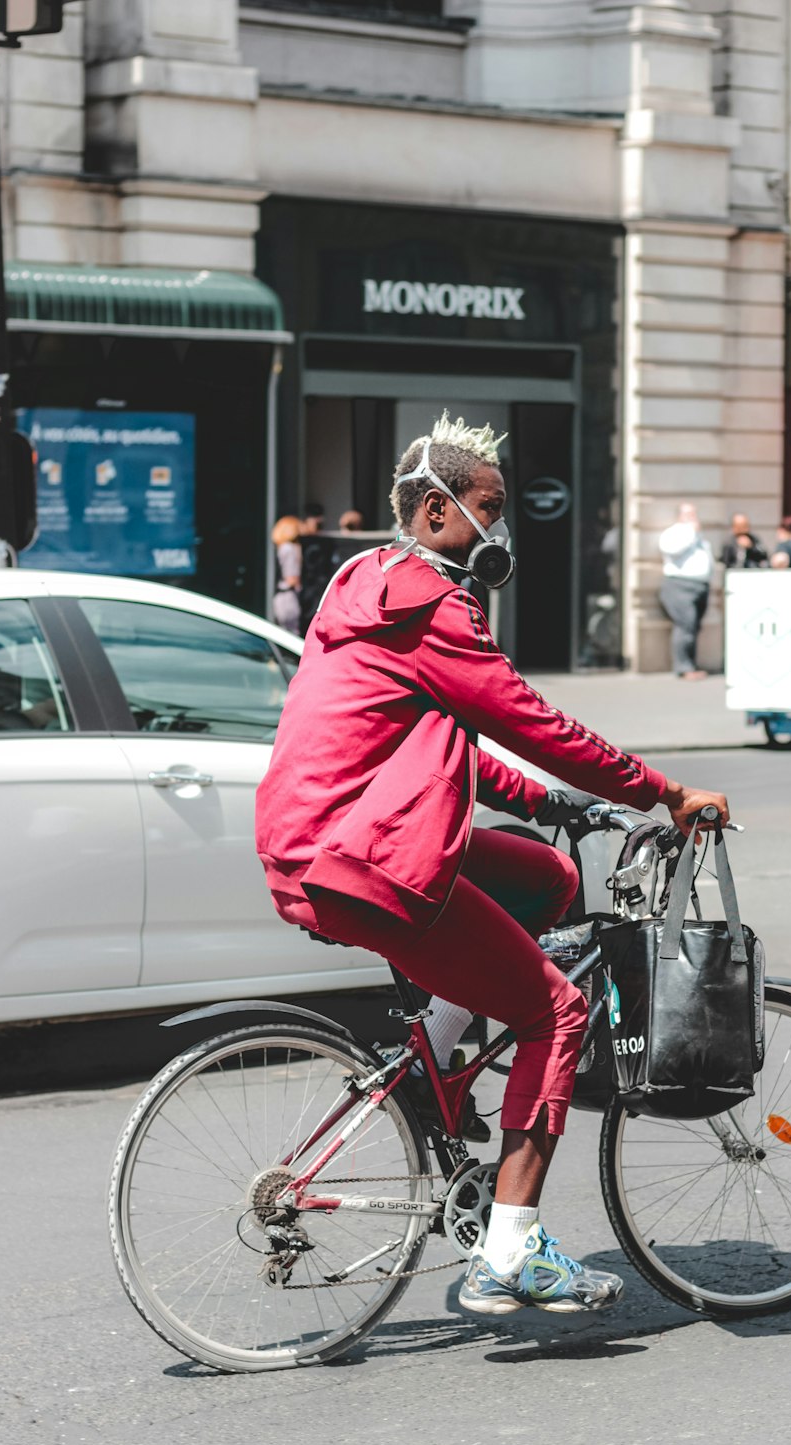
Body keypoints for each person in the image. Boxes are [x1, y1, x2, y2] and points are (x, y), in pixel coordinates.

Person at [255, 412, 729, 1319]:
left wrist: (548, 804)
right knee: (556, 1005)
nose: (499, 532)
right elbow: (527, 718)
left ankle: (439, 1067)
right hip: (367, 859)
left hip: (329, 837)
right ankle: (511, 1250)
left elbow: (441, 742)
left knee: (546, 881)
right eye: (489, 510)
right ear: (437, 513)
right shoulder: (436, 607)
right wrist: (660, 793)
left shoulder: (363, 583)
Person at [658, 502, 713, 679]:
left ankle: (691, 664)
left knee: (693, 627)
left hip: (700, 585)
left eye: (694, 514)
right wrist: (691, 532)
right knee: (685, 625)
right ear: (680, 516)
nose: (693, 518)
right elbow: (672, 549)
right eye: (689, 514)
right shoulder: (675, 533)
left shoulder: (699, 536)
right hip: (680, 585)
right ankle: (683, 667)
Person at [270, 515, 303, 634]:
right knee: (291, 632)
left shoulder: (281, 548)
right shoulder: (289, 549)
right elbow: (291, 578)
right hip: (288, 596)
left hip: (281, 595)